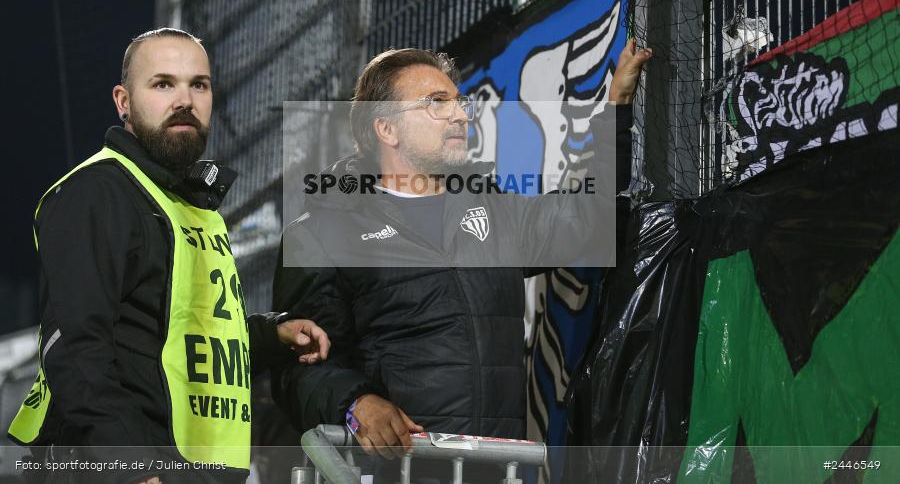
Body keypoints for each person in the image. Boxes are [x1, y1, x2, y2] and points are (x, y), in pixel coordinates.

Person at [271, 41, 651, 465]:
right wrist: (356, 403)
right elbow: (299, 366)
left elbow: (590, 224)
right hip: (392, 472)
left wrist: (616, 107)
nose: (460, 114)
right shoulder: (322, 233)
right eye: (436, 102)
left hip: (495, 470)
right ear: (387, 129)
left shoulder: (495, 210)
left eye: (459, 101)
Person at [7, 28, 330, 484]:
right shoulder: (98, 192)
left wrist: (270, 335)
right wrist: (133, 468)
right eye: (163, 84)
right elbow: (75, 347)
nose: (185, 99)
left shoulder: (189, 204)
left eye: (199, 84)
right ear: (123, 101)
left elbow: (176, 339)